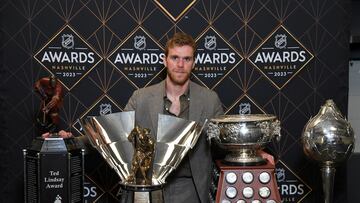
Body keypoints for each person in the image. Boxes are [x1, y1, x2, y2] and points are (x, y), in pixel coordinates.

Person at [124, 32, 224, 203]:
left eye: (187, 59)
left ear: (194, 63)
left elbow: (223, 141)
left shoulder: (209, 100)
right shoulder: (140, 98)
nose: (180, 64)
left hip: (193, 189)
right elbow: (116, 134)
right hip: (150, 189)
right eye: (175, 57)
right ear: (165, 60)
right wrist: (71, 141)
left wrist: (256, 153)